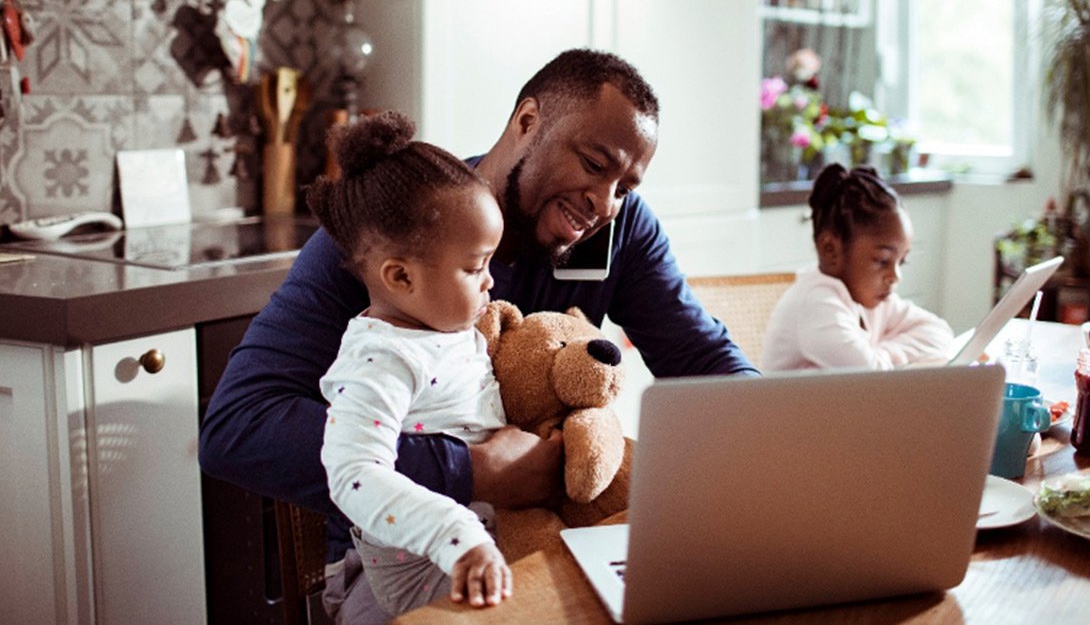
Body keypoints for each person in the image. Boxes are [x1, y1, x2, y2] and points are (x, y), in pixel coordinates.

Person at [198, 48, 756, 624]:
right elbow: (238, 428)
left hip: (546, 538)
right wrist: (473, 469)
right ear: (527, 122)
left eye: (626, 187)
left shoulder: (621, 233)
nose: (605, 203)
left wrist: (781, 436)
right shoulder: (398, 233)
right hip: (407, 562)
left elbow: (703, 357)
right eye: (594, 163)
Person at [311, 111, 511, 614]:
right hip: (428, 570)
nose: (490, 282)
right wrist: (458, 535)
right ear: (400, 278)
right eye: (475, 267)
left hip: (490, 540)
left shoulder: (444, 329)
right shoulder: (381, 358)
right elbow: (354, 473)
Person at [760, 163, 953, 371]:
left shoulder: (871, 300)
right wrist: (882, 356)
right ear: (830, 249)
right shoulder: (815, 303)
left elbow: (940, 333)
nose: (895, 276)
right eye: (882, 261)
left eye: (901, 262)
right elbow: (869, 373)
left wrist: (883, 353)